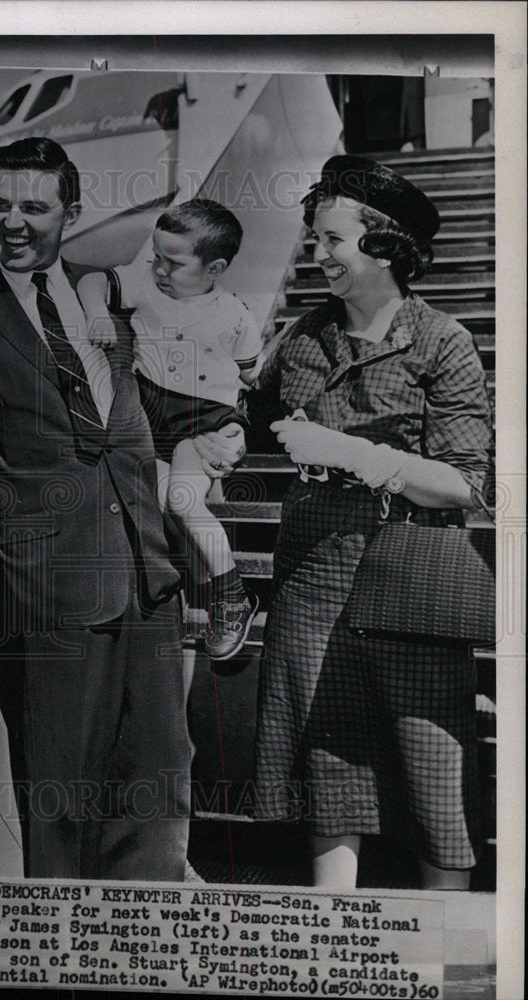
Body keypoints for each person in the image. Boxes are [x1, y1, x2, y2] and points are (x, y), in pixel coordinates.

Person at [0, 137, 246, 880]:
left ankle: (146, 953)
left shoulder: (112, 293)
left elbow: (164, 396)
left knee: (157, 791)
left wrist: (222, 427)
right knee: (60, 800)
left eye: (33, 206)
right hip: (46, 591)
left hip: (146, 576)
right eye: (0, 205)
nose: (13, 222)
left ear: (72, 211)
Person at [250, 155, 492, 890]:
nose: (316, 255)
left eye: (332, 241)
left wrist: (349, 450)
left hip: (410, 584)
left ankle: (449, 946)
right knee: (330, 774)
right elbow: (250, 422)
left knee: (434, 778)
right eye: (313, 239)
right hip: (313, 583)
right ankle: (334, 934)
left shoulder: (441, 340)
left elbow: (463, 485)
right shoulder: (297, 340)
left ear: (385, 246)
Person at [77, 199, 262, 660]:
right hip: (149, 408)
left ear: (214, 267)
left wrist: (237, 430)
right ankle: (193, 581)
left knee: (182, 500)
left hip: (204, 419)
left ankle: (232, 593)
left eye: (173, 262)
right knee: (158, 502)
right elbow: (92, 279)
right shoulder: (144, 282)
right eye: (156, 255)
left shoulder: (235, 314)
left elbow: (252, 374)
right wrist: (99, 311)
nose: (159, 268)